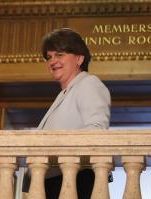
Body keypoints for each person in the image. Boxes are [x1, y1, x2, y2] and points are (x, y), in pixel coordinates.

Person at [38, 28, 111, 199]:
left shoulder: (88, 84)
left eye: (60, 55)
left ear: (79, 58)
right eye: (49, 57)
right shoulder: (65, 93)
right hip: (57, 181)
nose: (52, 61)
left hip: (76, 181)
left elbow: (97, 131)